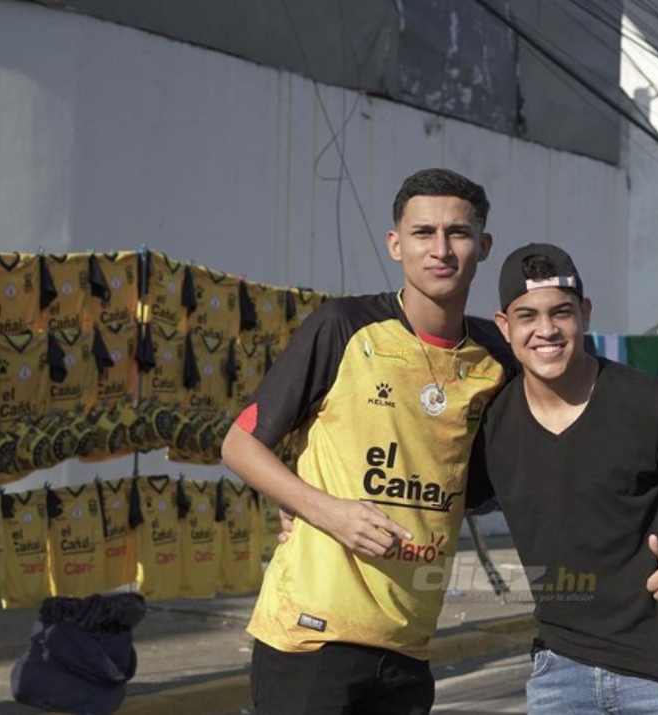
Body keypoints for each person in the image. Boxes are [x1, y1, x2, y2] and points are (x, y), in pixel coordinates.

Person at [220, 168, 513, 715]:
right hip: (309, 638)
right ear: (396, 244)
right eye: (423, 233)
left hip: (408, 643)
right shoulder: (343, 326)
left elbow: (491, 479)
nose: (441, 249)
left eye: (458, 232)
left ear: (484, 246)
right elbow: (239, 445)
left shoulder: (498, 357)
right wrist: (325, 510)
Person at [469, 244, 658, 714]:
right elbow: (430, 502)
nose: (546, 330)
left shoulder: (647, 406)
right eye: (527, 316)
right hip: (560, 674)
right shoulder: (492, 425)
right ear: (504, 326)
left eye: (561, 312)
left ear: (584, 314)